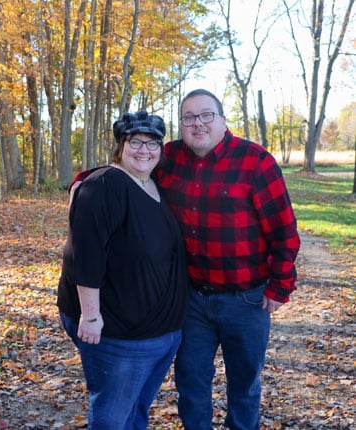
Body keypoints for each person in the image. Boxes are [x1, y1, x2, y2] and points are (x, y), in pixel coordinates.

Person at [70, 89, 301, 430]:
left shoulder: (255, 161)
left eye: (206, 115)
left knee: (245, 385)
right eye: (189, 117)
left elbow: (284, 231)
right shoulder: (171, 156)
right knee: (192, 384)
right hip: (191, 299)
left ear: (222, 120)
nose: (198, 123)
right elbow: (129, 164)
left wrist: (280, 286)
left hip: (246, 299)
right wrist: (82, 182)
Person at [57, 111, 189, 430]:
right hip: (118, 335)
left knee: (136, 410)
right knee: (113, 417)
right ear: (120, 145)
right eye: (135, 141)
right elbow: (83, 256)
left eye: (153, 143)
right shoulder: (104, 185)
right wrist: (90, 316)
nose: (144, 150)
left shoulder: (151, 183)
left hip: (161, 332)